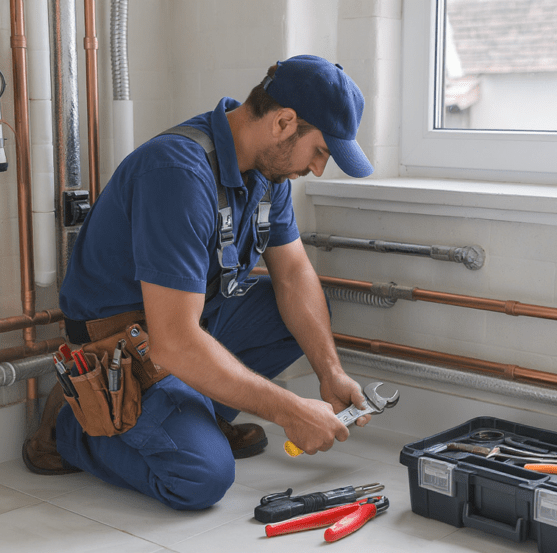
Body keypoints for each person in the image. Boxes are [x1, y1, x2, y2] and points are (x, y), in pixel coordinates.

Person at [23, 55, 375, 511]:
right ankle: (74, 422)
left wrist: (331, 372)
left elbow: (293, 274)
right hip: (122, 344)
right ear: (284, 123)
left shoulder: (268, 174)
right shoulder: (178, 174)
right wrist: (289, 409)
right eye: (321, 152)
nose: (318, 169)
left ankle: (198, 414)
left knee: (306, 314)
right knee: (201, 478)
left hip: (187, 322)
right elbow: (173, 342)